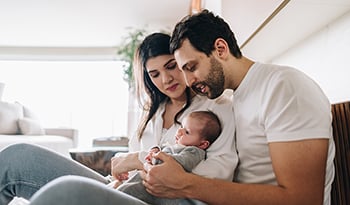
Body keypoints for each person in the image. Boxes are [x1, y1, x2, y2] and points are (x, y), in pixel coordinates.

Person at [0, 32, 237, 205]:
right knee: (17, 157)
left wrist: (137, 159)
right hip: (126, 190)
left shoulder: (214, 108)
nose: (166, 79)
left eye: (171, 66)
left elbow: (217, 173)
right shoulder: (153, 113)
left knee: (65, 192)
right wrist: (123, 165)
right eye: (155, 74)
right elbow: (128, 163)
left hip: (168, 200)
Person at [138, 9, 335, 205]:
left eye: (192, 68)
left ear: (221, 49)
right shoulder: (239, 96)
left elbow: (304, 199)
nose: (188, 82)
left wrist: (184, 183)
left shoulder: (284, 86)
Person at [117, 110, 222, 205]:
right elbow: (164, 150)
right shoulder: (177, 146)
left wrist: (157, 158)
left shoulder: (194, 151)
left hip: (160, 193)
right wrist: (155, 151)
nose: (180, 132)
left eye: (187, 132)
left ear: (203, 144)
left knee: (129, 190)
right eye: (181, 127)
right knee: (128, 188)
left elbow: (181, 162)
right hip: (148, 182)